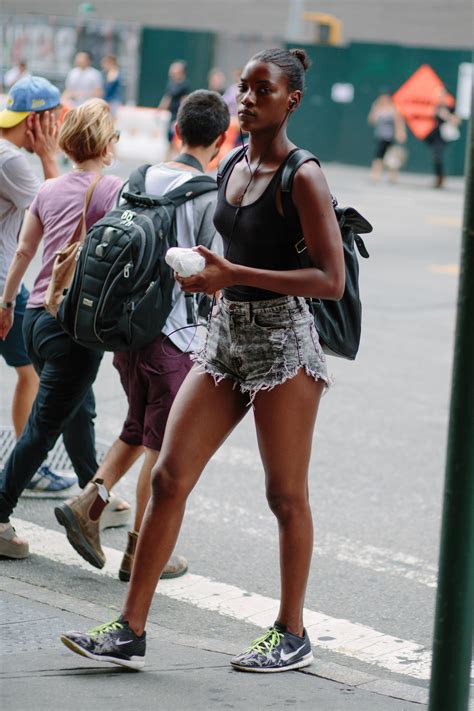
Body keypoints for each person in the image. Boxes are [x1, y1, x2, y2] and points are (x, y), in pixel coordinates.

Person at [60, 47, 344, 674]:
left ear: (290, 101)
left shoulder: (304, 175)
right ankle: (130, 629)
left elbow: (330, 279)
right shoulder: (236, 161)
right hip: (225, 337)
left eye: (260, 89)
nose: (246, 98)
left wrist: (231, 273)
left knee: (284, 495)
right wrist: (201, 273)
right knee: (168, 477)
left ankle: (291, 631)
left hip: (281, 346)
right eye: (242, 87)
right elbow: (225, 246)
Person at [54, 89, 230, 582]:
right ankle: (143, 550)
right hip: (173, 337)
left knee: (138, 425)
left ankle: (90, 502)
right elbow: (212, 276)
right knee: (163, 448)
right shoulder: (209, 195)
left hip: (128, 332)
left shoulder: (139, 177)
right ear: (220, 139)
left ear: (176, 130)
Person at [0, 98, 128, 559]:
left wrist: (7, 303)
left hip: (34, 315)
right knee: (44, 426)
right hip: (76, 324)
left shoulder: (48, 191)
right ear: (106, 145)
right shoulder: (113, 189)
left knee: (79, 408)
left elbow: (22, 251)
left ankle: (95, 494)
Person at [0, 75, 77, 497]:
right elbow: (60, 209)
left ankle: (29, 465)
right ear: (37, 121)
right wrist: (50, 155)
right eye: (52, 121)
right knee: (32, 373)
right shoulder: (13, 161)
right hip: (2, 284)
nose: (56, 129)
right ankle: (29, 469)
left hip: (6, 280)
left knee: (29, 371)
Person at [424, 87, 461, 189]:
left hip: (444, 136)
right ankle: (438, 178)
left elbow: (457, 121)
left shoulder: (451, 107)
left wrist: (446, 116)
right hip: (435, 134)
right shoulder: (437, 106)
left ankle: (440, 179)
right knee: (435, 155)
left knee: (438, 154)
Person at [367, 92, 406, 182]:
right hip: (380, 136)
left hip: (390, 137)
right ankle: (375, 175)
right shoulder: (378, 109)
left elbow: (398, 122)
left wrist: (400, 133)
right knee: (378, 155)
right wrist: (375, 109)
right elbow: (371, 121)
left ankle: (393, 176)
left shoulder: (393, 109)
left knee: (392, 157)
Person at [159, 60, 191, 148]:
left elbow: (184, 100)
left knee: (176, 137)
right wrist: (160, 109)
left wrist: (182, 115)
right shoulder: (171, 83)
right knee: (169, 138)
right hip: (172, 113)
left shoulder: (185, 85)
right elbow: (167, 97)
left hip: (178, 115)